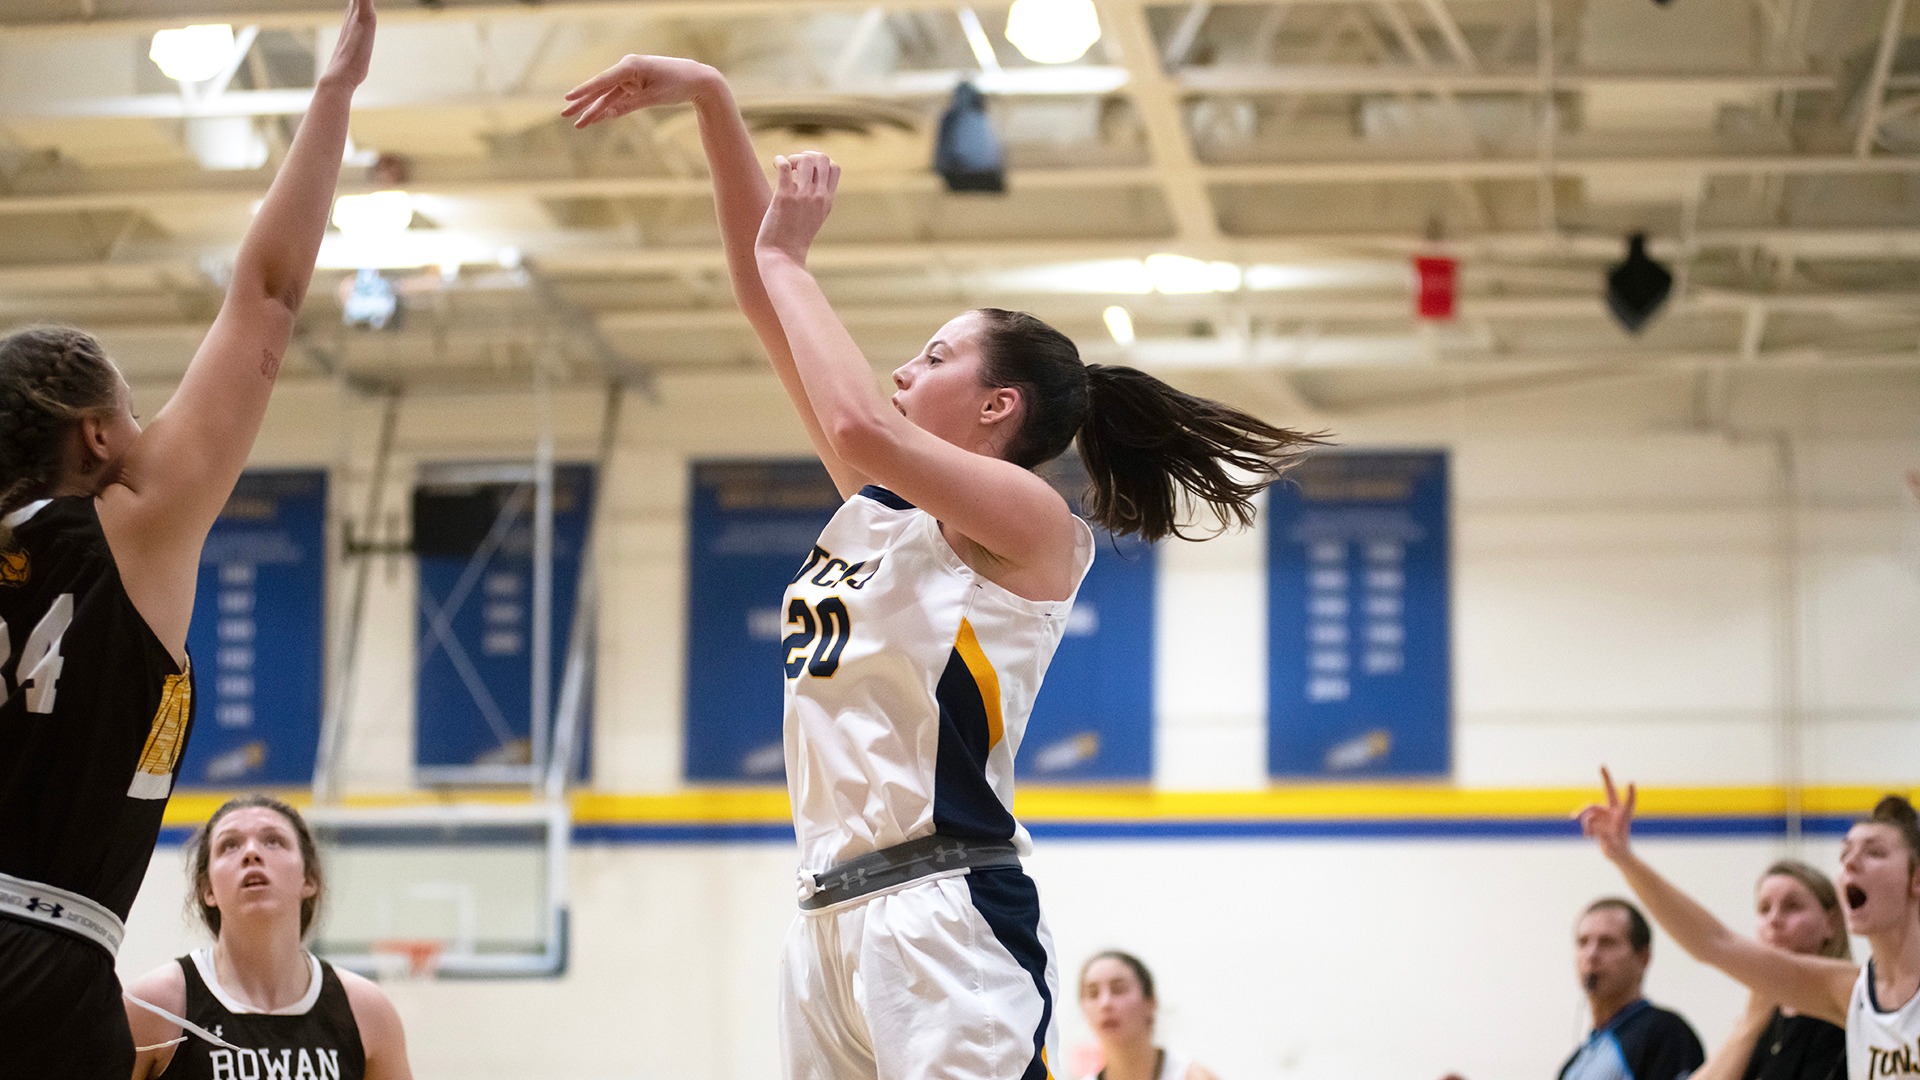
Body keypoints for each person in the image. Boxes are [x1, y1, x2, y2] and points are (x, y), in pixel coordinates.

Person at [565, 56, 1322, 1080]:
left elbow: (851, 412)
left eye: (933, 357)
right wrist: (712, 98)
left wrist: (792, 260)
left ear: (997, 405)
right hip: (826, 917)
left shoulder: (1030, 520)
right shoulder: (882, 509)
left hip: (944, 914)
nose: (902, 369)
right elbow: (765, 298)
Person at [0, 3, 376, 1074]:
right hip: (43, 960)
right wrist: (332, 96)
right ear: (97, 434)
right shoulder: (130, 529)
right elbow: (268, 296)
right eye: (134, 410)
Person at [1579, 768, 1920, 1080]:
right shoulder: (1849, 993)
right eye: (1845, 854)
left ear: (1916, 879)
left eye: (1875, 852)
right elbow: (1713, 943)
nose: (1851, 863)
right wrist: (1625, 859)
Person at [124, 795, 412, 1080]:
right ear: (207, 890)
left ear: (309, 879)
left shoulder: (366, 1011)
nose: (251, 853)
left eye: (273, 841)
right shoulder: (156, 1005)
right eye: (230, 845)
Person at [1691, 861, 1847, 1080]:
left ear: (1831, 922)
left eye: (1792, 906)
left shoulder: (1843, 1014)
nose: (1774, 919)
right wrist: (1749, 1025)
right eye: (1764, 909)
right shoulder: (1760, 1017)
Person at [1559, 897, 1705, 1080]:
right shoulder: (1573, 1064)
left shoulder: (1665, 1033)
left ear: (1643, 958)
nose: (1591, 954)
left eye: (1607, 942)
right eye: (1583, 942)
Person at [1078, 951, 1220, 1080]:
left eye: (1118, 989)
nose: (1105, 1003)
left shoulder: (1194, 1076)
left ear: (1150, 1001)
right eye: (1093, 993)